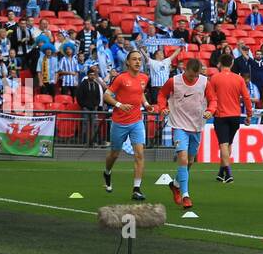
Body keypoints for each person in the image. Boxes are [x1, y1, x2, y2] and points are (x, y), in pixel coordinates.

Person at [156, 58, 210, 209]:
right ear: (185, 70)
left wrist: (210, 110)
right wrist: (162, 107)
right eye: (192, 75)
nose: (194, 78)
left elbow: (213, 99)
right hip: (179, 125)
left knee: (191, 161)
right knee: (184, 159)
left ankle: (175, 184)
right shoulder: (174, 81)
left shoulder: (205, 82)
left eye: (196, 75)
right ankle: (185, 195)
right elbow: (161, 95)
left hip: (196, 126)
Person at [103, 50, 150, 200]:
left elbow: (140, 92)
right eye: (134, 59)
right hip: (120, 122)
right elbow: (106, 95)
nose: (137, 62)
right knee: (114, 154)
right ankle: (107, 172)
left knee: (140, 154)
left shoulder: (144, 77)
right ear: (128, 62)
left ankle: (136, 188)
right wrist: (119, 104)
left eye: (139, 60)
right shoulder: (121, 78)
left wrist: (146, 104)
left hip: (137, 121)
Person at [206, 50, 253, 183]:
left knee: (223, 144)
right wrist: (249, 114)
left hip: (221, 115)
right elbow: (246, 97)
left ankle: (228, 172)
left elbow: (209, 97)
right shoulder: (239, 79)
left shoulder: (214, 78)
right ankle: (221, 173)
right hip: (235, 115)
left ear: (220, 64)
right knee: (229, 143)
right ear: (232, 64)